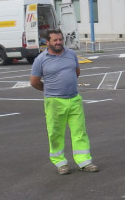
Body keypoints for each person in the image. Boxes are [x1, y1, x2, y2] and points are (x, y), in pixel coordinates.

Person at [29, 29, 98, 175]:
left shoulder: (71, 54)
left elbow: (76, 72)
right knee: (55, 133)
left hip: (74, 99)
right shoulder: (41, 59)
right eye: (55, 40)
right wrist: (50, 91)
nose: (59, 42)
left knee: (80, 132)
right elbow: (34, 82)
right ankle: (60, 163)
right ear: (47, 42)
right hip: (54, 102)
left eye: (60, 39)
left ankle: (84, 161)